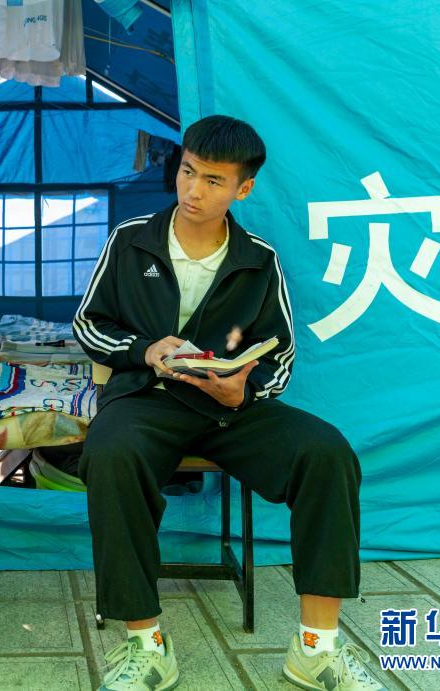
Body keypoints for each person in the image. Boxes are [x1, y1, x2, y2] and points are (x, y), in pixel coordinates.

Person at [73, 115, 386, 691]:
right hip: (147, 400)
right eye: (188, 171)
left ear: (244, 188)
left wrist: (246, 387)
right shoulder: (130, 239)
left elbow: (279, 354)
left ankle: (316, 649)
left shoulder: (258, 259)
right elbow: (89, 325)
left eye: (214, 180)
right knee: (110, 455)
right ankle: (146, 646)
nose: (193, 189)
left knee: (327, 453)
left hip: (229, 408)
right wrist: (145, 350)